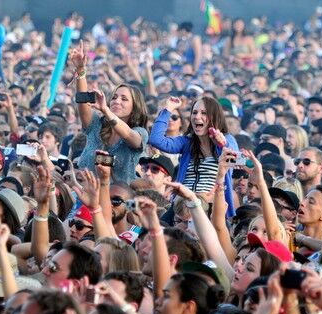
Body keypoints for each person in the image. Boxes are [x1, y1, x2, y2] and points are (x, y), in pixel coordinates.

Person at [71, 42, 149, 184]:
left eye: (124, 99)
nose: (117, 101)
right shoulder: (96, 125)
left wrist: (106, 110)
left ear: (135, 107)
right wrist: (81, 71)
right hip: (84, 195)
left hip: (116, 201)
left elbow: (128, 135)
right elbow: (82, 101)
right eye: (114, 97)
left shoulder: (140, 133)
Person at [149, 96, 238, 215]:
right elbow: (156, 140)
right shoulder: (187, 142)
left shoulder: (228, 139)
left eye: (204, 113)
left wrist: (223, 145)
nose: (197, 117)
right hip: (182, 206)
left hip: (211, 208)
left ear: (215, 117)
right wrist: (168, 109)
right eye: (194, 112)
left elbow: (238, 161)